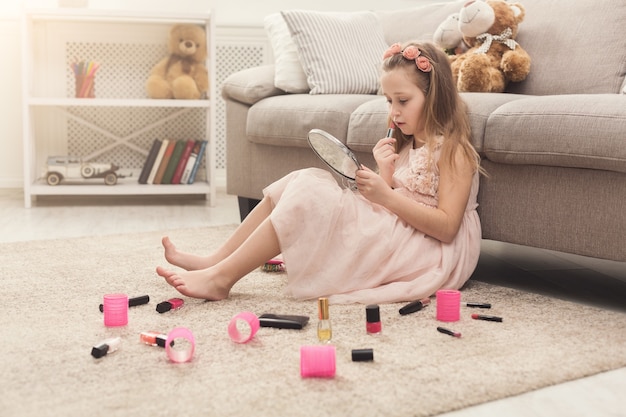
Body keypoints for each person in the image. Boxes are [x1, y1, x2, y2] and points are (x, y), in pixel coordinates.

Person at [156, 41, 483, 304]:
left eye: (403, 100)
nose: (394, 111)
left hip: (426, 249)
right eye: (388, 101)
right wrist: (385, 175)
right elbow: (387, 202)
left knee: (311, 197)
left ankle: (220, 280)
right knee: (300, 181)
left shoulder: (454, 151)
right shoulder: (403, 144)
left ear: (435, 95)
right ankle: (216, 260)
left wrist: (386, 195)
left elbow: (447, 228)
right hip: (398, 227)